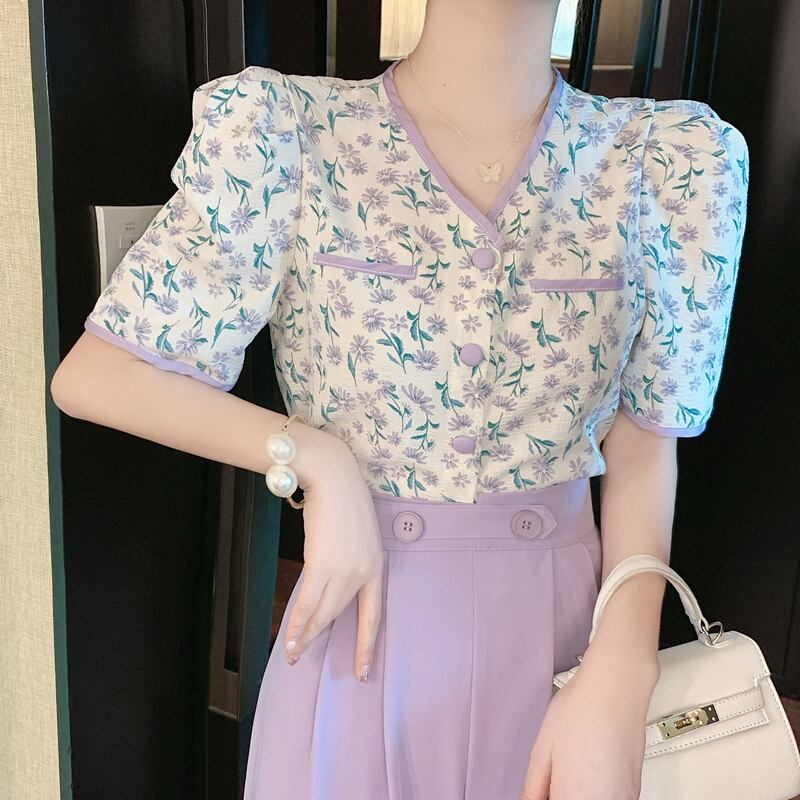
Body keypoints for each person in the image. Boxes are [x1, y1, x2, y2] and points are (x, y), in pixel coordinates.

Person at [51, 0, 750, 797]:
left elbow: (646, 436)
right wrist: (314, 458)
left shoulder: (670, 163)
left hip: (565, 639)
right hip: (359, 626)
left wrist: (624, 668)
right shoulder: (289, 134)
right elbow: (98, 375)